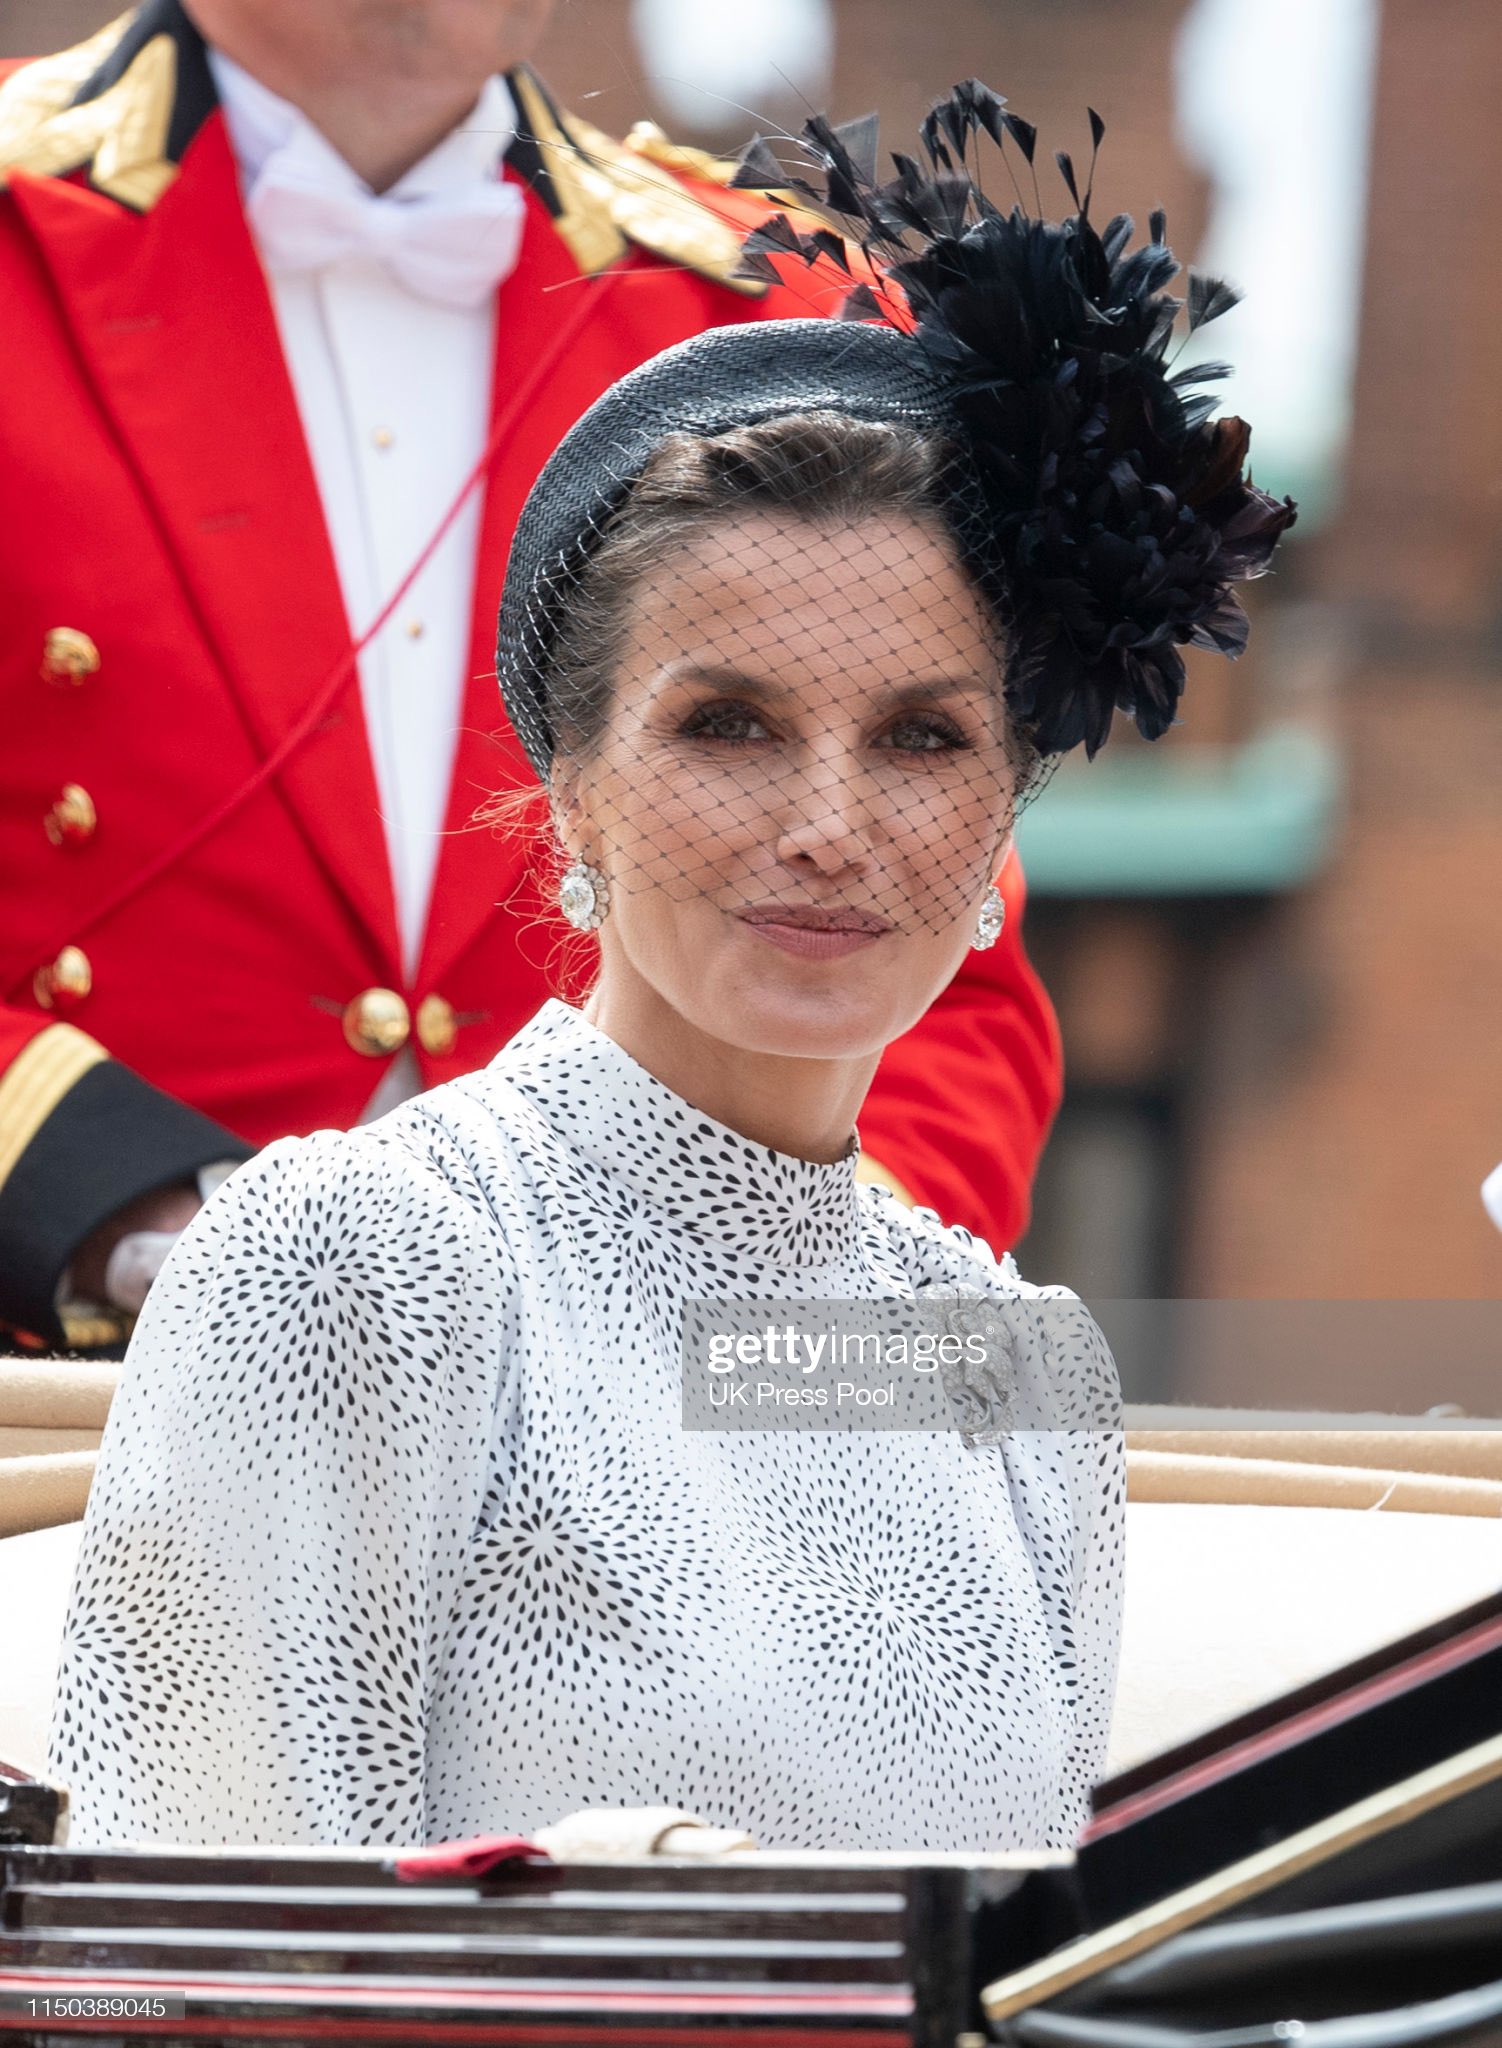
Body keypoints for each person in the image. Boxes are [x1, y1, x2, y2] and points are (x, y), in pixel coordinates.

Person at [47, 86, 1293, 1851]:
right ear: (574, 790)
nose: (827, 822)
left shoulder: (1022, 1364)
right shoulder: (357, 1259)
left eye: (925, 741)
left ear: (1006, 813)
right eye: (726, 727)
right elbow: (191, 1972)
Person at [0, 0, 1062, 1354]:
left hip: (663, 1432)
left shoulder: (785, 309)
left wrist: (768, 1335)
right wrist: (141, 1226)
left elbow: (940, 962)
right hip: (61, 1402)